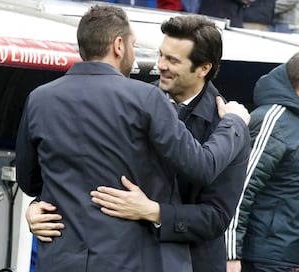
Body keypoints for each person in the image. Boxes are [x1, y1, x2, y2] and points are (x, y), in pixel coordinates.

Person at [16, 4, 251, 272]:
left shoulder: (230, 123)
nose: (160, 65)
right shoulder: (142, 98)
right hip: (125, 260)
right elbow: (80, 173)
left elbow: (217, 216)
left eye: (173, 60)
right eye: (160, 55)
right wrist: (38, 207)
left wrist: (154, 211)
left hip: (189, 263)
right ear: (119, 45)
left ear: (203, 68)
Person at [226, 48, 299, 272]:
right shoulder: (272, 120)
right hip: (259, 258)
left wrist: (298, 247)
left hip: (284, 256)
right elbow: (240, 189)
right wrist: (230, 254)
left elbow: (297, 190)